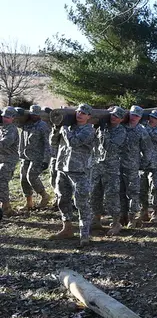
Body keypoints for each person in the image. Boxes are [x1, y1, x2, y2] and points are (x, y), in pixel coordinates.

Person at [49, 103, 96, 247]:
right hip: (62, 168)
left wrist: (64, 128)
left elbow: (73, 143)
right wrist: (57, 127)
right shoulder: (68, 127)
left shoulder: (89, 130)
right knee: (62, 199)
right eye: (78, 111)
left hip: (79, 171)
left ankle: (85, 235)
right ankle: (67, 228)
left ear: (88, 116)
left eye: (83, 113)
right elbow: (53, 142)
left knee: (81, 203)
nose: (79, 114)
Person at [91, 106, 126, 235]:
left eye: (117, 116)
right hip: (96, 165)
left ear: (121, 119)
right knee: (95, 193)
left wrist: (104, 131)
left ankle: (116, 223)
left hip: (111, 168)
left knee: (111, 195)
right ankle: (96, 219)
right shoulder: (100, 128)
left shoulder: (121, 131)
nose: (113, 117)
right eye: (112, 115)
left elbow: (109, 148)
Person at [120, 105, 150, 228]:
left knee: (133, 193)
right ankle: (123, 216)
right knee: (120, 192)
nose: (134, 117)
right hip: (117, 165)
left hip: (133, 167)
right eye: (132, 114)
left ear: (140, 117)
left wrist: (142, 164)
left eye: (137, 116)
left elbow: (147, 150)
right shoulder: (121, 128)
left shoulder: (141, 130)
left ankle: (133, 218)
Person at [18, 105, 51, 210]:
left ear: (40, 115)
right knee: (23, 179)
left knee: (31, 176)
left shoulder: (43, 126)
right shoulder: (26, 124)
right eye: (32, 114)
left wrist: (46, 160)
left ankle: (44, 195)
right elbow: (14, 121)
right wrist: (18, 112)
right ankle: (29, 202)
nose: (34, 116)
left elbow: (47, 144)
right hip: (25, 155)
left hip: (38, 157)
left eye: (36, 114)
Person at [140, 110, 157, 223]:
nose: (151, 119)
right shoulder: (142, 126)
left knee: (156, 188)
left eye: (155, 118)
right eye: (150, 117)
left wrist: (143, 127)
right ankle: (143, 211)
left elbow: (151, 136)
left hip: (155, 164)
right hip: (143, 162)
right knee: (142, 189)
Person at [0, 107, 20, 218]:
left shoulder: (12, 129)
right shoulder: (3, 128)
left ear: (13, 118)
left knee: (2, 180)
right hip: (2, 158)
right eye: (4, 116)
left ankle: (6, 207)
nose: (5, 119)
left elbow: (5, 143)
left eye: (7, 117)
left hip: (9, 159)